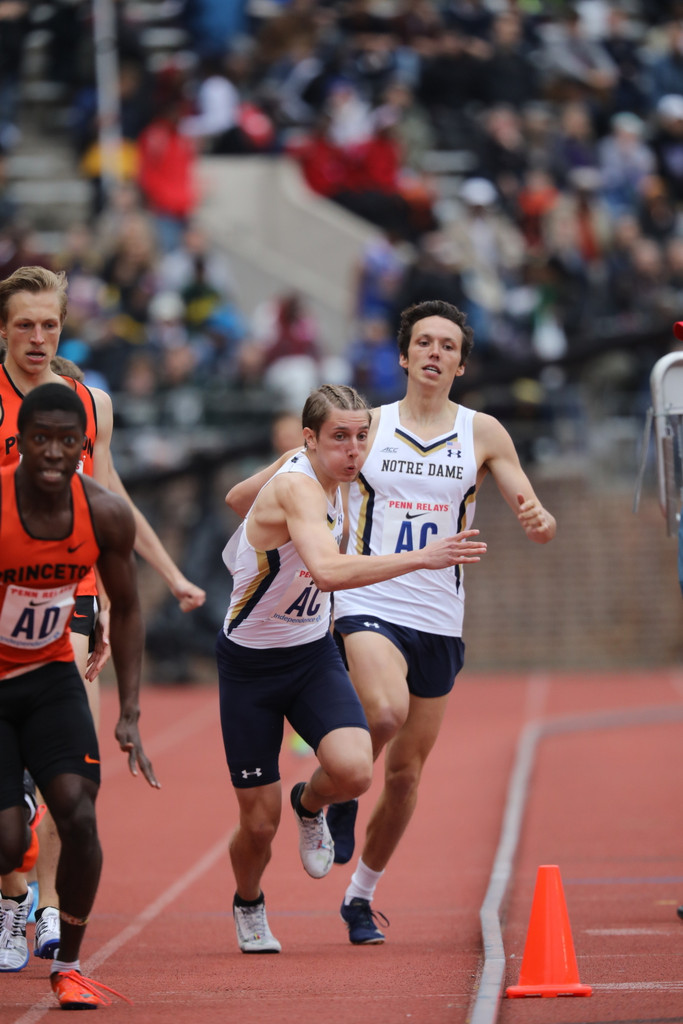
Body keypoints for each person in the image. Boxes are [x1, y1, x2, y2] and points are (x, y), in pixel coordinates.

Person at [221, 383, 486, 954]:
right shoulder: (298, 486)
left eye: (362, 437)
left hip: (311, 654)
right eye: (339, 438)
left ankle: (310, 804)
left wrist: (275, 486)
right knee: (258, 824)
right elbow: (328, 572)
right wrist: (424, 556)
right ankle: (248, 901)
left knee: (356, 771)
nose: (354, 450)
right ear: (311, 439)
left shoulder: (330, 475)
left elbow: (235, 499)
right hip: (250, 666)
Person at [328, 299, 556, 944]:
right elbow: (309, 480)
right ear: (403, 356)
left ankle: (360, 897)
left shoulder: (482, 433)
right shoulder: (366, 427)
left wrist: (538, 520)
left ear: (460, 362)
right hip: (372, 599)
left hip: (439, 615)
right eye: (423, 342)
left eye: (447, 345)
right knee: (384, 713)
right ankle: (341, 788)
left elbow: (528, 504)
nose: (434, 352)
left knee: (404, 775)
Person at [0, 264, 204, 967]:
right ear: (3, 328)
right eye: (23, 324)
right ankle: (11, 892)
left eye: (49, 324)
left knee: (70, 766)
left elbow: (112, 500)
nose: (37, 336)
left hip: (70, 594)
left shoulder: (90, 405)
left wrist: (170, 574)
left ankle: (52, 909)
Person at [0, 383, 159, 1007]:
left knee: (81, 813)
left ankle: (67, 964)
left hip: (48, 679)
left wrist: (131, 713)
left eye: (72, 441)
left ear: (83, 446)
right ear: (21, 440)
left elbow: (129, 608)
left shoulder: (104, 512)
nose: (55, 453)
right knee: (9, 841)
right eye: (42, 438)